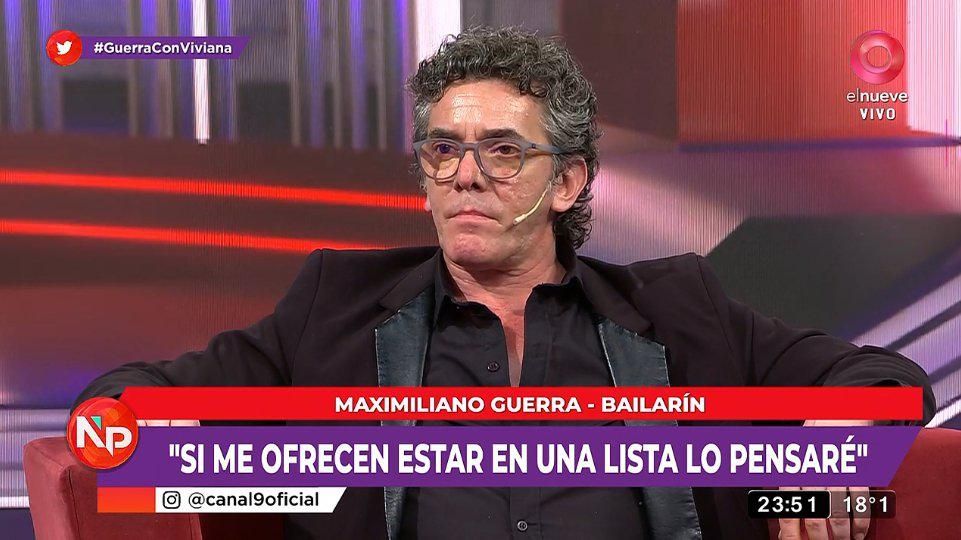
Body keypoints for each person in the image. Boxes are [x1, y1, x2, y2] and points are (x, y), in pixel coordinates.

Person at [75, 27, 934, 540]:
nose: (464, 175)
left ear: (566, 182)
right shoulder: (336, 305)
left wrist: (835, 441)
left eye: (502, 151)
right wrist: (139, 427)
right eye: (443, 149)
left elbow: (882, 380)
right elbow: (132, 397)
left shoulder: (675, 309)